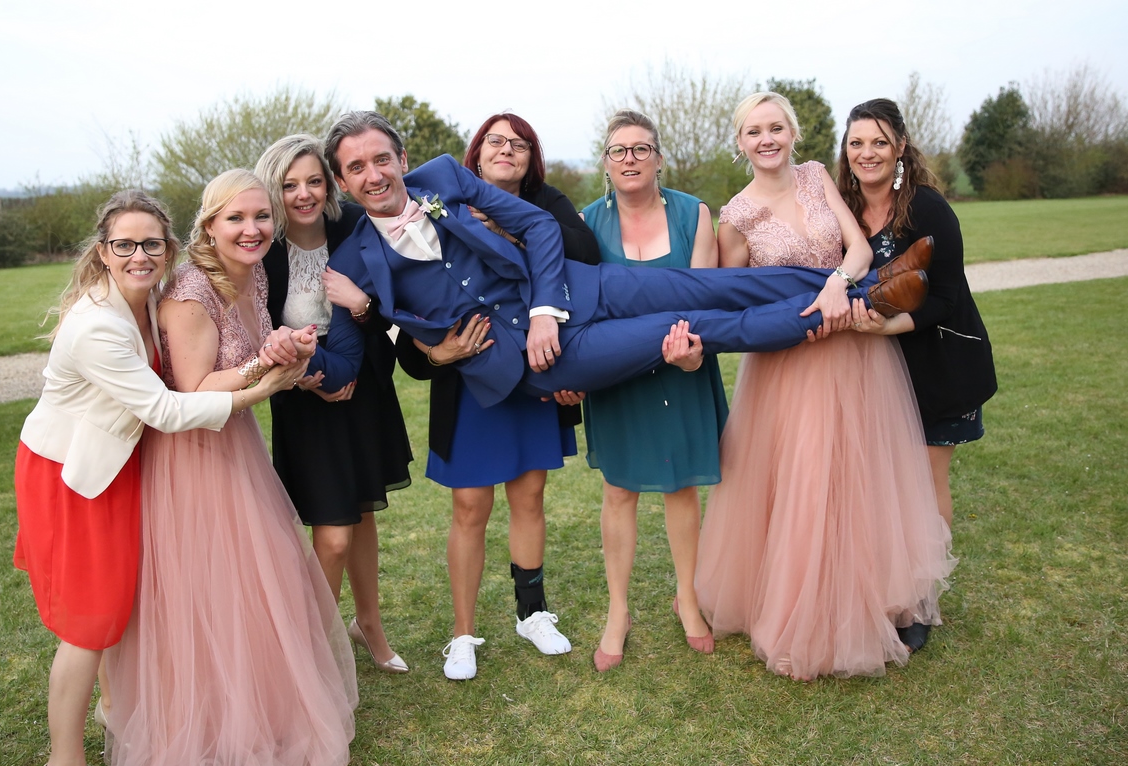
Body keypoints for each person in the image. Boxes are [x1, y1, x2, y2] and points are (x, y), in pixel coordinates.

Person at [321, 110, 929, 412]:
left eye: (382, 159)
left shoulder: (444, 177)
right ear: (343, 182)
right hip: (536, 361)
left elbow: (537, 223)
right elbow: (344, 366)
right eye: (356, 168)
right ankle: (865, 303)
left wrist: (544, 309)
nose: (374, 175)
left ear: (402, 159)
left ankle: (871, 279)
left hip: (575, 290)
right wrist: (329, 331)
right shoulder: (350, 264)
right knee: (692, 327)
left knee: (705, 288)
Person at [13, 190, 301, 766]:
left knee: (121, 601)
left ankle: (115, 711)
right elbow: (165, 409)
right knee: (91, 621)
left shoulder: (146, 298)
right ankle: (64, 759)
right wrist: (261, 387)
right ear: (103, 251)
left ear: (168, 248)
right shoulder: (97, 325)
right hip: (73, 472)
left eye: (151, 244)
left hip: (119, 461)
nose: (139, 255)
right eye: (124, 245)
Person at [694, 92, 956, 681]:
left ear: (793, 134)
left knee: (861, 475)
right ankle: (800, 612)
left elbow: (858, 248)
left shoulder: (815, 177)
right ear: (740, 142)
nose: (766, 139)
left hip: (855, 352)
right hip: (788, 367)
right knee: (805, 479)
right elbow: (733, 301)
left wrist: (837, 282)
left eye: (776, 128)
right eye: (754, 131)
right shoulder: (736, 216)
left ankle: (878, 595)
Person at [105, 171, 358, 766]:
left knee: (258, 578)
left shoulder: (253, 275)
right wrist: (262, 366)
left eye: (261, 216)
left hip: (236, 440)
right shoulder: (191, 291)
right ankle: (205, 724)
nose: (252, 229)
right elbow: (194, 389)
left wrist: (289, 354)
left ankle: (259, 711)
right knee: (211, 584)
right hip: (192, 453)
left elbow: (259, 354)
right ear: (209, 225)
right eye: (236, 218)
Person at [394, 113, 599, 679]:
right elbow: (409, 301)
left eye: (519, 144)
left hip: (534, 371)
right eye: (495, 141)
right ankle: (462, 634)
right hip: (467, 383)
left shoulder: (546, 204)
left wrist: (510, 231)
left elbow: (583, 253)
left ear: (532, 158)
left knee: (529, 496)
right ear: (476, 155)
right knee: (470, 506)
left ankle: (532, 614)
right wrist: (436, 354)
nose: (507, 149)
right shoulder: (439, 206)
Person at [838, 97, 997, 651]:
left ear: (900, 147)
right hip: (877, 371)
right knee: (885, 485)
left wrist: (887, 327)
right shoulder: (844, 209)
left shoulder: (927, 208)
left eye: (879, 142)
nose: (867, 153)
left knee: (926, 485)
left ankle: (922, 599)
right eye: (857, 143)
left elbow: (946, 296)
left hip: (939, 362)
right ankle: (886, 588)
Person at [256, 134, 413, 674]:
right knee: (334, 535)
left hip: (363, 389)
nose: (304, 194)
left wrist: (364, 307)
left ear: (330, 184)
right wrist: (307, 379)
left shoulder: (354, 227)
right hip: (303, 401)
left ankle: (368, 624)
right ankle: (313, 652)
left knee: (363, 513)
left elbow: (389, 311)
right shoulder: (263, 250)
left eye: (314, 181)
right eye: (289, 185)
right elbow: (255, 332)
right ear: (274, 190)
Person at [580, 109, 726, 672]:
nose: (631, 159)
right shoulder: (586, 223)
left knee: (681, 485)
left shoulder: (694, 214)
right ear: (606, 163)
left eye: (642, 148)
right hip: (618, 376)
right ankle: (618, 611)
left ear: (659, 158)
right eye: (619, 150)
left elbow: (704, 299)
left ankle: (687, 597)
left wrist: (692, 354)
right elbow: (581, 311)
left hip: (683, 367)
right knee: (619, 489)